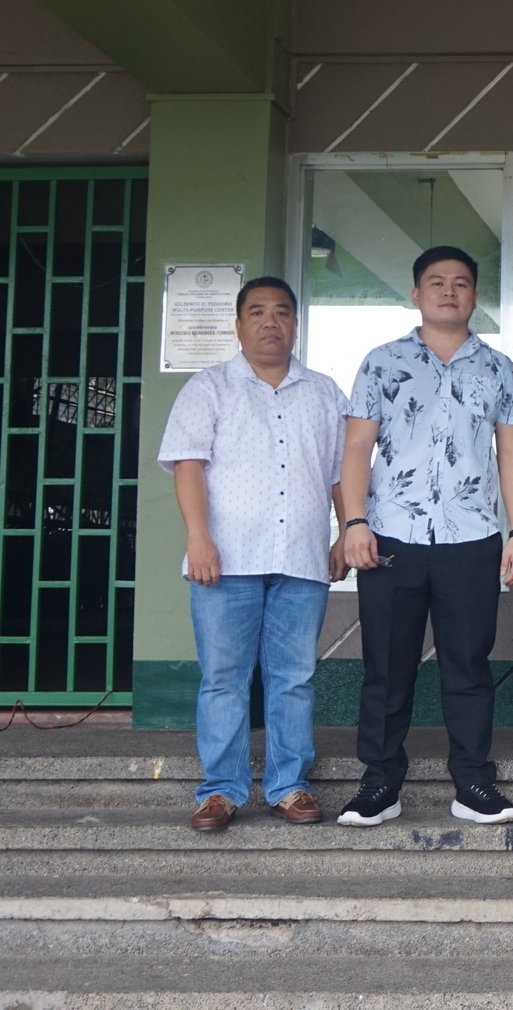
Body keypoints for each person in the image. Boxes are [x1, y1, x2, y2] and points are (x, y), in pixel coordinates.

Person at [336, 245, 513, 827]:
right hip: (390, 538)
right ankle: (379, 785)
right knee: (386, 667)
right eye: (437, 282)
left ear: (475, 296)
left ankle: (473, 783)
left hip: (472, 540)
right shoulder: (381, 362)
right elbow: (355, 447)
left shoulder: (498, 367)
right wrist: (352, 524)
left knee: (468, 667)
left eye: (462, 283)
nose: (450, 291)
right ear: (416, 293)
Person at [158, 277, 348, 831]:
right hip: (224, 561)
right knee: (223, 677)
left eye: (282, 312)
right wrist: (198, 538)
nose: (271, 322)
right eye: (258, 312)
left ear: (295, 323)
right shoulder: (208, 387)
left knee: (293, 678)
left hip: (301, 561)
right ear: (238, 326)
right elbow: (188, 464)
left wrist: (343, 533)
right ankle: (220, 790)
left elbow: (341, 474)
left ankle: (289, 786)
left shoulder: (324, 392)